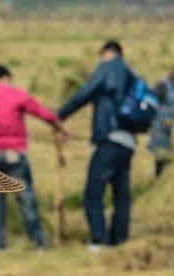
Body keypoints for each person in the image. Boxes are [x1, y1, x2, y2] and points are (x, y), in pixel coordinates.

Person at [0, 65, 68, 251]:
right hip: (15, 156)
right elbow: (43, 113)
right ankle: (39, 243)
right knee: (27, 200)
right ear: (6, 77)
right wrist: (62, 129)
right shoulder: (16, 94)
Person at [57, 40, 137, 250]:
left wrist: (59, 116)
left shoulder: (107, 67)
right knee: (122, 194)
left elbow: (85, 94)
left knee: (93, 191)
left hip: (109, 138)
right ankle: (119, 239)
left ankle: (99, 240)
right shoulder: (131, 74)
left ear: (107, 53)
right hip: (129, 142)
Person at [147, 63, 174, 177]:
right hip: (162, 131)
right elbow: (153, 103)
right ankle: (160, 183)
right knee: (162, 159)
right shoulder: (163, 85)